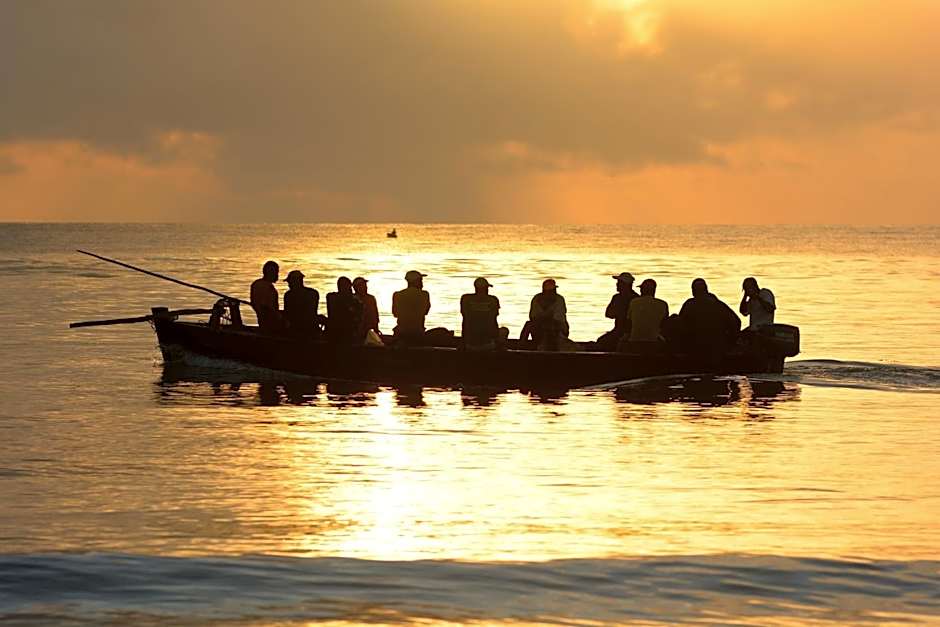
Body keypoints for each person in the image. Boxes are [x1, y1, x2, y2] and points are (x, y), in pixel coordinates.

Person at [678, 278, 741, 367]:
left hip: (696, 347)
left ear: (693, 291)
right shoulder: (719, 305)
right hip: (718, 347)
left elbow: (680, 325)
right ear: (706, 289)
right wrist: (730, 342)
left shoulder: (689, 305)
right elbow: (736, 322)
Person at [521, 278, 569, 349]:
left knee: (550, 325)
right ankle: (521, 347)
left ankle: (551, 347)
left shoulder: (559, 299)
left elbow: (558, 319)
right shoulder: (536, 298)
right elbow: (532, 317)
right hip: (539, 328)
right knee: (529, 324)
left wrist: (545, 321)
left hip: (558, 329)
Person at [597, 272, 639, 350]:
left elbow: (610, 314)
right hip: (620, 331)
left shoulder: (622, 298)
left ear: (625, 285)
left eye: (619, 282)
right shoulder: (635, 298)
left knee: (601, 342)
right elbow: (608, 314)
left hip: (622, 332)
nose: (617, 284)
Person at [460, 277, 505, 350]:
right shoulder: (493, 300)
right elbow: (494, 320)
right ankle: (500, 350)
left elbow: (465, 317)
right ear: (486, 288)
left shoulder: (465, 299)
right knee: (504, 330)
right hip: (488, 344)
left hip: (469, 344)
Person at [625, 278, 669, 343]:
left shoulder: (634, 302)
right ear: (654, 290)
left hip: (635, 340)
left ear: (642, 290)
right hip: (654, 341)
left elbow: (628, 323)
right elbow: (664, 324)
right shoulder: (663, 304)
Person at [392, 270, 431, 343]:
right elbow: (426, 311)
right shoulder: (424, 294)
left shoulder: (397, 295)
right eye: (420, 280)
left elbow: (395, 313)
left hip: (401, 332)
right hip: (418, 333)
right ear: (416, 281)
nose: (422, 284)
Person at [282, 270, 320, 338]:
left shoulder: (289, 295)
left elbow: (288, 314)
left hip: (296, 330)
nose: (289, 284)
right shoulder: (313, 293)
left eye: (290, 282)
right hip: (312, 328)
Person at [326, 276, 363, 343]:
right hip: (344, 332)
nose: (350, 289)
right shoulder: (335, 298)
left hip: (346, 331)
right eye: (349, 287)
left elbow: (359, 315)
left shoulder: (353, 299)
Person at [250, 260, 281, 332]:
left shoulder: (257, 284)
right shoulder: (266, 286)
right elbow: (266, 308)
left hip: (265, 320)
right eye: (276, 272)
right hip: (270, 322)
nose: (277, 275)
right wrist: (280, 318)